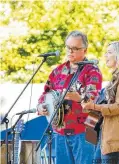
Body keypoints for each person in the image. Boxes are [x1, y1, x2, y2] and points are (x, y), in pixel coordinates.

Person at [37, 30, 102, 164]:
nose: (70, 51)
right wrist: (41, 106)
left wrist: (78, 97)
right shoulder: (58, 71)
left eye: (75, 48)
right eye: (68, 47)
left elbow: (93, 98)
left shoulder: (92, 70)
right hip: (60, 132)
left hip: (87, 131)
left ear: (85, 50)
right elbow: (45, 94)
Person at [81, 41, 119, 164]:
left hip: (114, 136)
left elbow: (118, 107)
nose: (105, 56)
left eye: (109, 52)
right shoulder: (115, 78)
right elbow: (105, 107)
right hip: (105, 134)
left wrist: (93, 106)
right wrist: (90, 106)